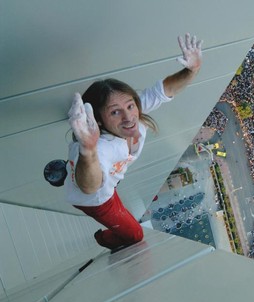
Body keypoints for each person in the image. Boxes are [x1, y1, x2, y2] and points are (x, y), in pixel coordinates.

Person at [65, 33, 202, 251]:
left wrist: (192, 69)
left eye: (130, 106)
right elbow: (89, 187)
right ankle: (104, 238)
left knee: (113, 185)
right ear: (99, 120)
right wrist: (88, 150)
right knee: (136, 236)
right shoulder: (101, 147)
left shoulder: (134, 112)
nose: (129, 117)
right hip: (97, 200)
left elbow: (166, 89)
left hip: (109, 181)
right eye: (115, 112)